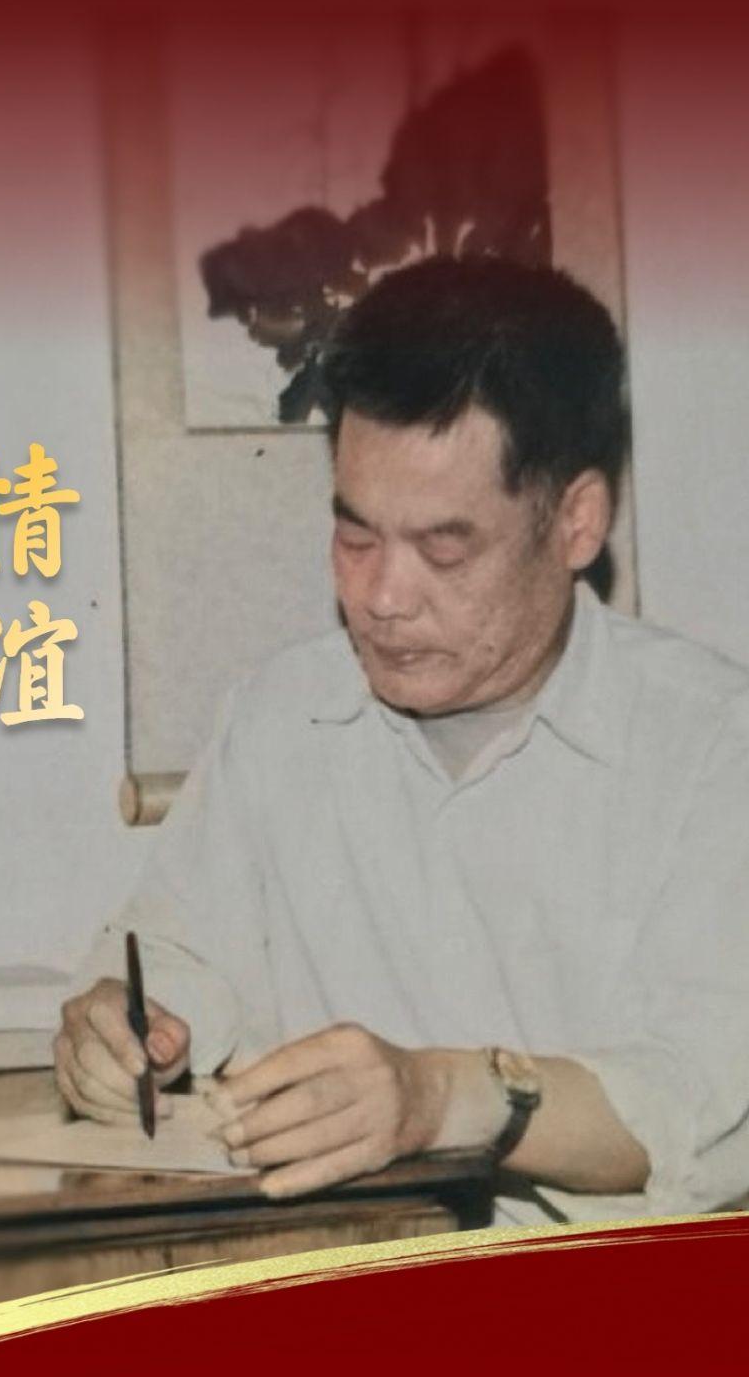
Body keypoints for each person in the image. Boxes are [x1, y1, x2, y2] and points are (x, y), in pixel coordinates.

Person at [55, 255, 749, 1226]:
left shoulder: (711, 748)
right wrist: (126, 1027)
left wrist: (439, 1097)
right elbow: (178, 952)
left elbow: (702, 1101)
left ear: (576, 522)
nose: (381, 597)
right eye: (355, 538)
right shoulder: (280, 718)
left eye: (443, 549)